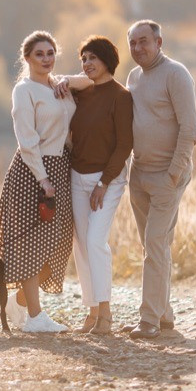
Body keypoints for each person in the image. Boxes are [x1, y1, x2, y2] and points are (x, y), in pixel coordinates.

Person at [0, 31, 92, 333]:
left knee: (59, 242)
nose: (46, 59)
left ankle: (19, 302)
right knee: (31, 242)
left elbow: (91, 80)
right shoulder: (24, 91)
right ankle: (35, 317)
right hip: (33, 172)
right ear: (27, 58)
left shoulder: (57, 84)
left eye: (50, 53)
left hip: (62, 166)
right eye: (39, 54)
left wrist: (67, 81)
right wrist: (43, 179)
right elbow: (26, 141)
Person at [123, 20, 196, 340]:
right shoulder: (133, 77)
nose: (138, 48)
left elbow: (190, 129)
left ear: (159, 42)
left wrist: (174, 174)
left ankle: (149, 320)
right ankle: (164, 314)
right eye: (133, 43)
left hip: (168, 175)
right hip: (138, 174)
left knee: (155, 243)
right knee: (154, 245)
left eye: (144, 42)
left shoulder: (176, 74)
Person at [68, 36, 134, 335]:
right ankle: (92, 312)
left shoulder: (121, 96)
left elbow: (124, 145)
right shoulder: (80, 94)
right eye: (83, 59)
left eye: (92, 58)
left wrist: (104, 182)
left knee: (95, 240)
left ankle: (106, 313)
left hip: (108, 179)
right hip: (77, 176)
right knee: (81, 244)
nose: (87, 64)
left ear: (107, 59)